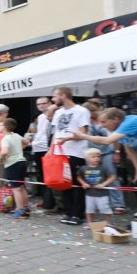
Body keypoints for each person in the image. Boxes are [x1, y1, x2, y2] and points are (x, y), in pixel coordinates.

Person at [51, 86, 90, 225]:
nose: (53, 99)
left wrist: (67, 139)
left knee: (76, 183)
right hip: (59, 153)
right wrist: (51, 150)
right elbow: (56, 133)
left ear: (63, 95)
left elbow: (83, 132)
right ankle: (68, 212)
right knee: (64, 184)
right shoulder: (58, 112)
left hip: (76, 153)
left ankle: (78, 214)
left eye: (55, 96)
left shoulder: (81, 111)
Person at [83, 102, 126, 215]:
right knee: (95, 177)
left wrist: (117, 152)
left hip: (107, 151)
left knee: (112, 176)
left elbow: (115, 137)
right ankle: (99, 203)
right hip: (93, 152)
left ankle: (118, 204)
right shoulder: (87, 122)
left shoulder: (106, 120)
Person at [77, 147, 116, 229]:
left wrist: (104, 184)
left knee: (105, 209)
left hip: (102, 194)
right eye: (93, 157)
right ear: (87, 159)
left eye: (98, 156)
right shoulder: (83, 168)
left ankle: (108, 223)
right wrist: (83, 183)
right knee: (89, 210)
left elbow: (112, 177)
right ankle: (90, 224)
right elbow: (79, 177)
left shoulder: (103, 167)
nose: (96, 158)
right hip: (89, 194)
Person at [0, 118, 30, 219]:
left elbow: (4, 151)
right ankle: (26, 208)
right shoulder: (16, 135)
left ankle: (20, 211)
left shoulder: (5, 139)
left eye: (1, 125)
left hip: (12, 164)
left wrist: (1, 158)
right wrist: (19, 150)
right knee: (21, 186)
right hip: (22, 161)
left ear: (4, 127)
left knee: (16, 188)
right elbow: (26, 142)